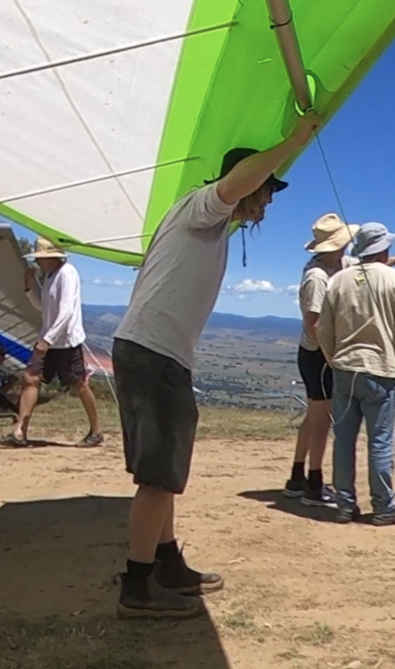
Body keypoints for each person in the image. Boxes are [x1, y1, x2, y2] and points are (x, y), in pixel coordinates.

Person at [108, 147, 289, 618]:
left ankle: (168, 564)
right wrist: (295, 139)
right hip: (153, 352)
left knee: (164, 472)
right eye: (267, 188)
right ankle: (137, 587)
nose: (269, 200)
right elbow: (234, 185)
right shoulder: (204, 204)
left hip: (152, 351)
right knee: (157, 477)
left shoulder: (207, 221)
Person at [316, 221, 395, 525]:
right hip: (381, 371)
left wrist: (334, 359)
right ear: (384, 248)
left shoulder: (338, 280)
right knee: (380, 442)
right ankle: (383, 507)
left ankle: (344, 505)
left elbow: (322, 330)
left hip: (343, 369)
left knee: (343, 441)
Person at [286, 214, 353, 504]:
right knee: (321, 420)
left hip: (317, 353)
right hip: (318, 355)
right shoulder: (317, 277)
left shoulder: (337, 265)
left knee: (314, 416)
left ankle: (297, 477)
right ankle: (314, 483)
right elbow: (312, 323)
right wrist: (332, 357)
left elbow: (367, 268)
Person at [11, 240, 105, 447]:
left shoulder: (67, 273)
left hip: (66, 341)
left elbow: (67, 311)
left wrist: (47, 340)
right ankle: (20, 431)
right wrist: (29, 288)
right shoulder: (49, 277)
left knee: (79, 384)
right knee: (30, 378)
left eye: (40, 258)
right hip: (50, 340)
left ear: (51, 257)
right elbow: (44, 307)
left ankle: (96, 431)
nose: (37, 261)